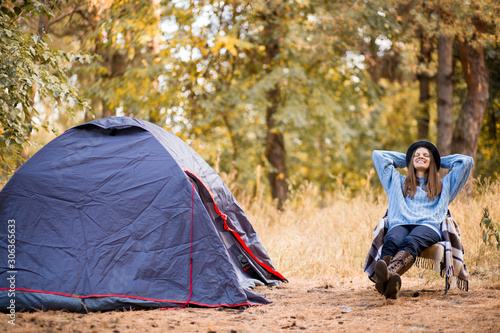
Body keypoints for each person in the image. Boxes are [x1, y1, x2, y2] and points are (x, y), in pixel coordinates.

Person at [371, 141, 474, 299]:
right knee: (391, 239)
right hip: (401, 222)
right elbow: (378, 155)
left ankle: (386, 276)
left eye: (426, 156)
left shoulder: (444, 185)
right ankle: (388, 282)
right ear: (411, 160)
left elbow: (466, 161)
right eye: (417, 155)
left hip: (428, 226)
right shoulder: (397, 182)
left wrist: (437, 159)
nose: (421, 157)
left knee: (411, 241)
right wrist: (408, 158)